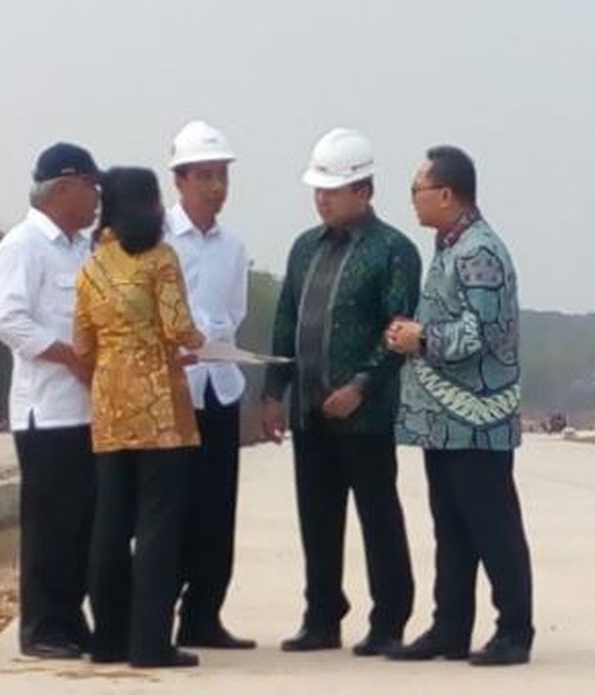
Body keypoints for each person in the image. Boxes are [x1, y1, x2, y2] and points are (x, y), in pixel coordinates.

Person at [262, 128, 422, 656]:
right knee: (317, 516)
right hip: (309, 409)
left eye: (333, 189)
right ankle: (322, 615)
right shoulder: (304, 247)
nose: (322, 198)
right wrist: (273, 391)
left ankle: (389, 619)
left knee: (378, 515)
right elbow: (287, 318)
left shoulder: (393, 251)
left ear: (365, 190)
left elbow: (398, 330)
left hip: (365, 415)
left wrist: (360, 386)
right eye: (318, 189)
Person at [388, 146, 534, 666]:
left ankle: (514, 629)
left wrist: (420, 337)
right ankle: (449, 626)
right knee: (450, 526)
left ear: (446, 194)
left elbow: (482, 332)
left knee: (492, 525)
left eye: (417, 191)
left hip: (478, 420)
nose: (412, 201)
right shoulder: (448, 246)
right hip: (444, 422)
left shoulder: (478, 251)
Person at [74, 167, 205, 668]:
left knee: (110, 522)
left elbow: (82, 342)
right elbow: (180, 329)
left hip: (108, 403)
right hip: (158, 408)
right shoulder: (160, 260)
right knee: (158, 525)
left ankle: (108, 638)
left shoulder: (93, 265)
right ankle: (150, 643)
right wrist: (204, 346)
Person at [0, 143, 100, 659]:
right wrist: (70, 358)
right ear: (64, 187)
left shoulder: (82, 249)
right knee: (50, 526)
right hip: (47, 411)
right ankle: (40, 627)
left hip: (85, 411)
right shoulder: (25, 244)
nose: (97, 197)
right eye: (91, 186)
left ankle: (69, 618)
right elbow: (10, 320)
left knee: (82, 522)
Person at [163, 120, 255, 650]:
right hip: (176, 393)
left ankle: (204, 614)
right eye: (205, 176)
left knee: (218, 508)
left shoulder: (233, 246)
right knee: (173, 506)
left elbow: (234, 312)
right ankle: (157, 609)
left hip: (219, 388)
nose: (216, 187)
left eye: (222, 176)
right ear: (180, 180)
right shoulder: (157, 242)